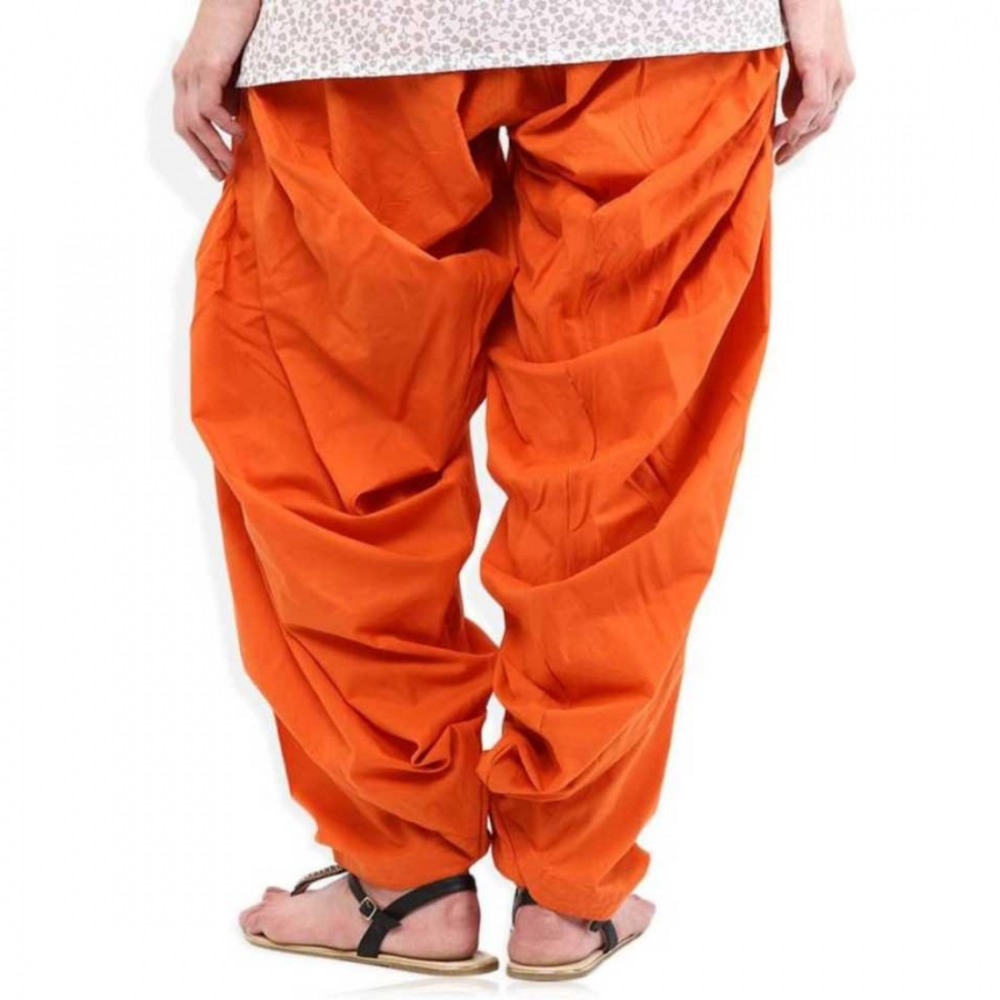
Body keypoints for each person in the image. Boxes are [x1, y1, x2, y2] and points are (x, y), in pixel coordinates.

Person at [173, 0, 854, 981]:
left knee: (341, 453)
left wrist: (221, 19)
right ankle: (569, 893)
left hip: (365, 30)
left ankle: (405, 882)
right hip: (666, 28)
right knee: (624, 477)